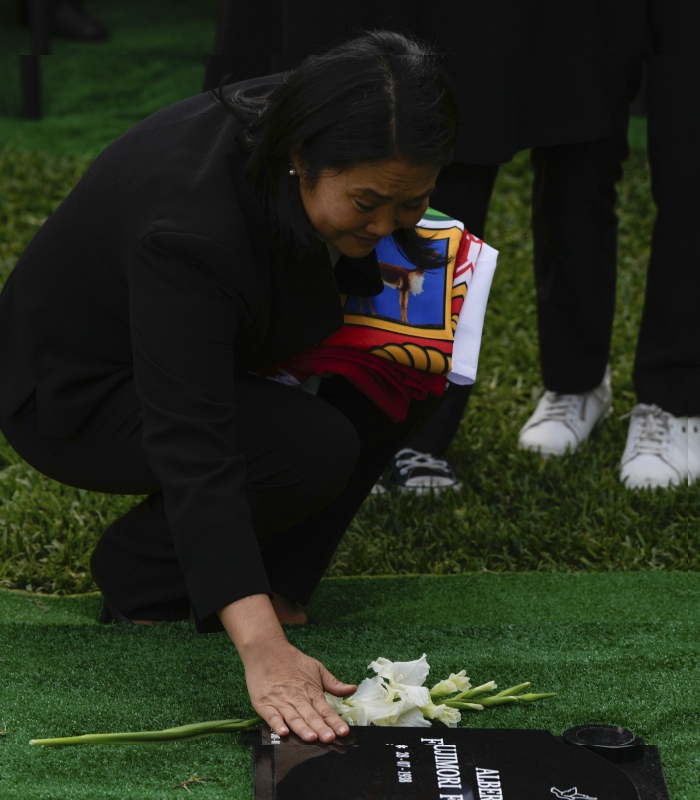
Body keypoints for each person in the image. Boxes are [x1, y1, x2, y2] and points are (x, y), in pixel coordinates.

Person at [0, 31, 458, 743]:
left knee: (409, 364)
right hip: (76, 392)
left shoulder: (330, 119)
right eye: (368, 202)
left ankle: (275, 579)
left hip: (221, 332)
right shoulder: (187, 229)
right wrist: (263, 650)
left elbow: (359, 230)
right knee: (310, 446)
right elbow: (194, 438)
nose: (385, 225)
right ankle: (144, 572)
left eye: (411, 204)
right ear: (302, 157)